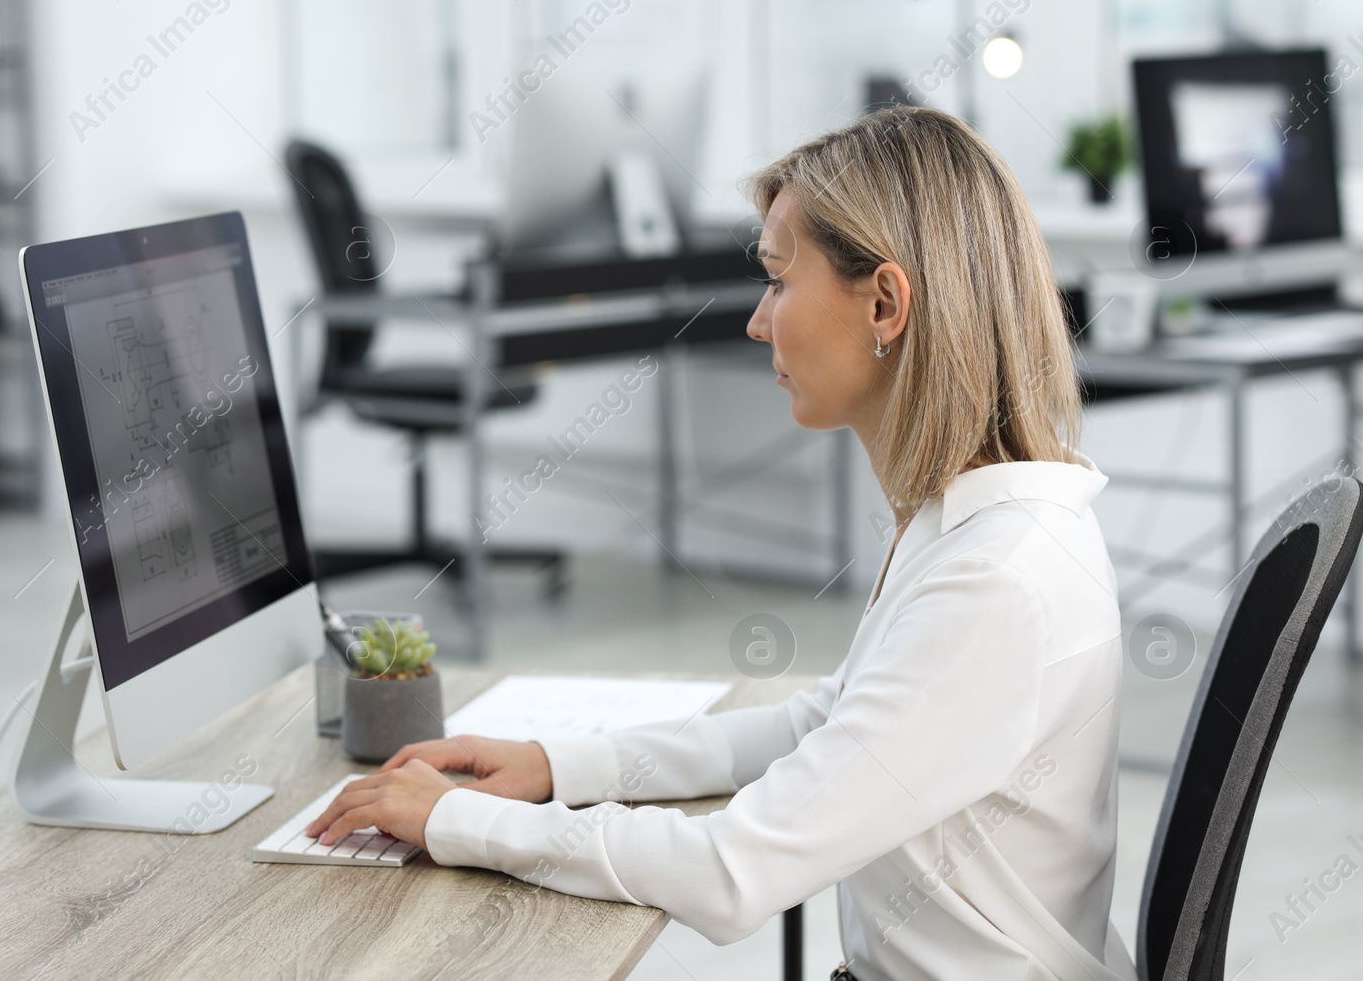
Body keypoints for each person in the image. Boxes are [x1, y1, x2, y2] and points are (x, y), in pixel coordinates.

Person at [307, 107, 1134, 981]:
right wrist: (558, 765)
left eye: (779, 282)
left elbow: (730, 871)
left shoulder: (994, 582)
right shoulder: (980, 520)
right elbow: (825, 725)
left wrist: (454, 820)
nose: (757, 321)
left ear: (885, 302)